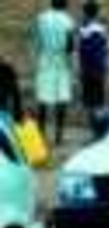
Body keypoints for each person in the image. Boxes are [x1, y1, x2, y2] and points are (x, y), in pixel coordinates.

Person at [31, 0, 75, 146]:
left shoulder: (41, 18)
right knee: (61, 99)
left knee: (43, 100)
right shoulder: (68, 20)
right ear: (64, 4)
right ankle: (58, 135)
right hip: (61, 62)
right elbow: (70, 46)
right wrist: (71, 64)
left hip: (44, 61)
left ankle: (41, 134)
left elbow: (36, 41)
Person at [77, 0, 109, 139]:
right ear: (97, 13)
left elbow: (80, 52)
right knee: (99, 101)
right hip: (98, 69)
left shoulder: (82, 30)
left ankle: (94, 130)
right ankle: (99, 131)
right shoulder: (100, 30)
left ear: (85, 13)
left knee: (90, 102)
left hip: (86, 70)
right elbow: (104, 50)